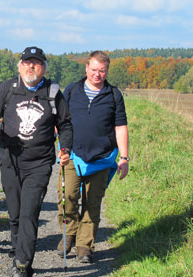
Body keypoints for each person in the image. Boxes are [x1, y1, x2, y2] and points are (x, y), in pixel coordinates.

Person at [0, 47, 73, 277]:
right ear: (20, 66)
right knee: (15, 213)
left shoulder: (53, 93)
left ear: (44, 67)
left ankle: (22, 265)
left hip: (40, 163)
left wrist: (66, 149)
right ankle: (17, 254)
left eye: (37, 63)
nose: (31, 67)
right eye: (27, 62)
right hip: (10, 160)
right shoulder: (8, 89)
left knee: (29, 212)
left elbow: (65, 124)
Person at [56, 50, 129, 264]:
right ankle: (68, 233)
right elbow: (60, 121)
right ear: (86, 68)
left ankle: (84, 246)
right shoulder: (71, 91)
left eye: (102, 71)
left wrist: (124, 158)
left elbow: (120, 126)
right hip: (71, 155)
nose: (97, 74)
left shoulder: (114, 95)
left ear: (107, 71)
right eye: (94, 69)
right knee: (67, 196)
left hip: (102, 158)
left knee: (92, 202)